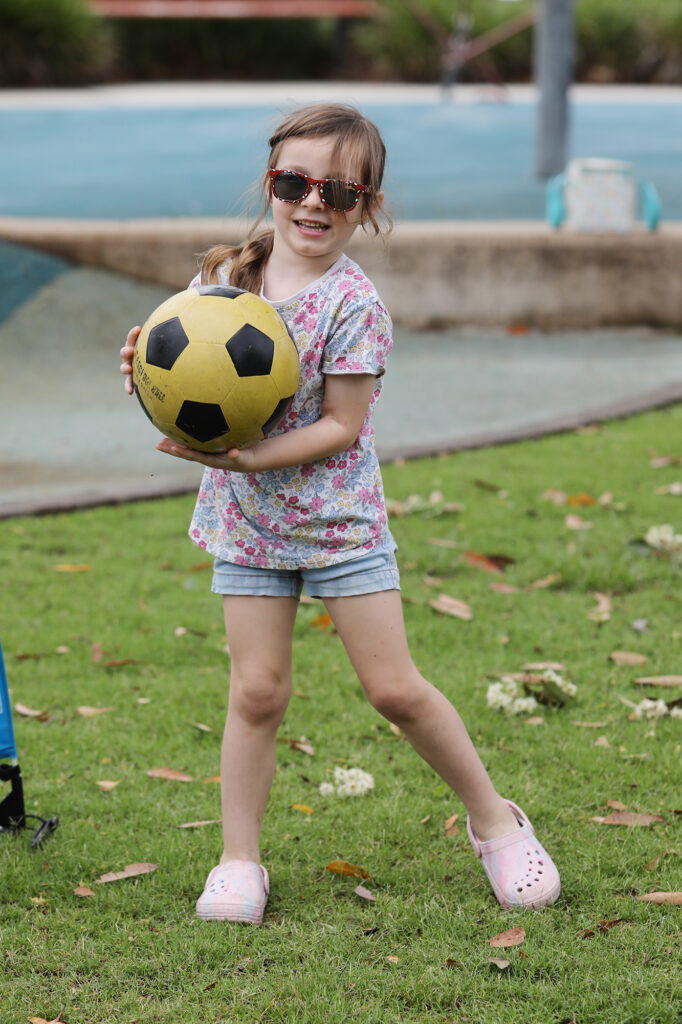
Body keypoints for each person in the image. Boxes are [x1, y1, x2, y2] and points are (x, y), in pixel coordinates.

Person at [120, 103, 560, 924]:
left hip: (338, 525)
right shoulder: (220, 283)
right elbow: (177, 375)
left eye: (342, 191)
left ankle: (497, 822)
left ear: (369, 205)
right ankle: (239, 862)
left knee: (395, 690)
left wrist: (247, 457)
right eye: (295, 182)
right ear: (270, 185)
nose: (314, 203)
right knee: (256, 693)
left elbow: (341, 426)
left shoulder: (356, 305)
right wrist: (146, 373)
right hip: (249, 527)